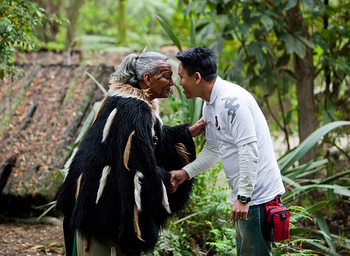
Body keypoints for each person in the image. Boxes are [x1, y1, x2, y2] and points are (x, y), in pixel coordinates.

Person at [56, 51, 206, 256]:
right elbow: (136, 166)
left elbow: (148, 139)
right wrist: (167, 178)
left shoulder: (122, 101)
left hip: (91, 205)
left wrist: (186, 132)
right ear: (147, 79)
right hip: (103, 216)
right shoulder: (134, 110)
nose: (173, 82)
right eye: (166, 76)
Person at [170, 46, 286, 255]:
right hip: (246, 198)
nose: (179, 83)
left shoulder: (233, 103)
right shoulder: (210, 104)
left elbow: (249, 150)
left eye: (181, 77)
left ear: (197, 77)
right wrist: (185, 173)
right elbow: (213, 150)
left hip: (256, 198)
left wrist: (243, 198)